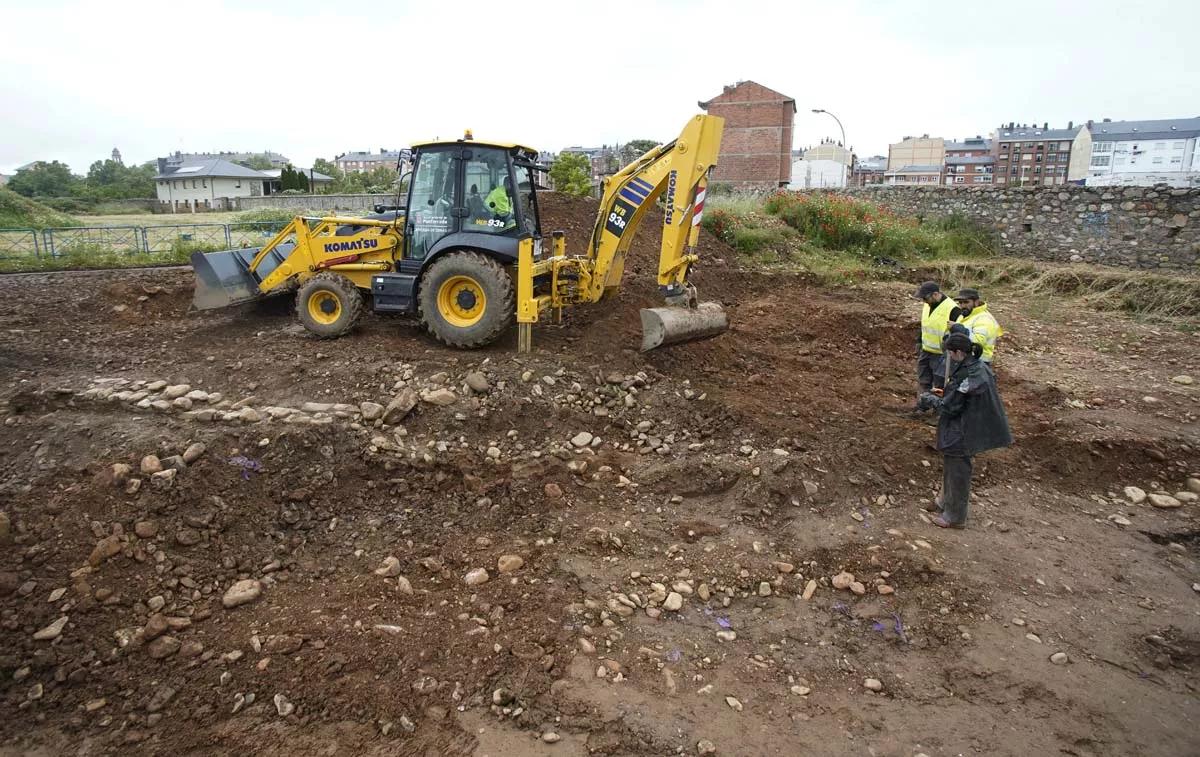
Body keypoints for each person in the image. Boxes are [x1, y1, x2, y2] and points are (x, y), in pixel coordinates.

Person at [916, 332, 1012, 528]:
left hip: (964, 429)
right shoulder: (976, 367)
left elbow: (950, 407)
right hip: (965, 424)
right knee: (951, 466)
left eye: (950, 353)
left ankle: (956, 516)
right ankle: (945, 502)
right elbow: (957, 397)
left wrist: (931, 400)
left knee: (958, 470)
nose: (948, 358)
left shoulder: (969, 376)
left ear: (958, 352)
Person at [914, 281, 963, 399]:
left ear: (935, 294)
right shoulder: (927, 305)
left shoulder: (953, 309)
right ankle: (922, 407)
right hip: (926, 351)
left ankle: (938, 410)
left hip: (942, 355)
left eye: (925, 298)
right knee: (923, 381)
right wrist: (919, 341)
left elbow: (958, 332)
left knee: (939, 385)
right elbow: (925, 325)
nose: (924, 301)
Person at [954, 288, 1003, 364]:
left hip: (978, 362)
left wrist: (959, 329)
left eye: (966, 302)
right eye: (960, 303)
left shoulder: (984, 318)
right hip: (964, 361)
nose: (963, 305)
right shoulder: (964, 315)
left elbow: (978, 342)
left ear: (976, 302)